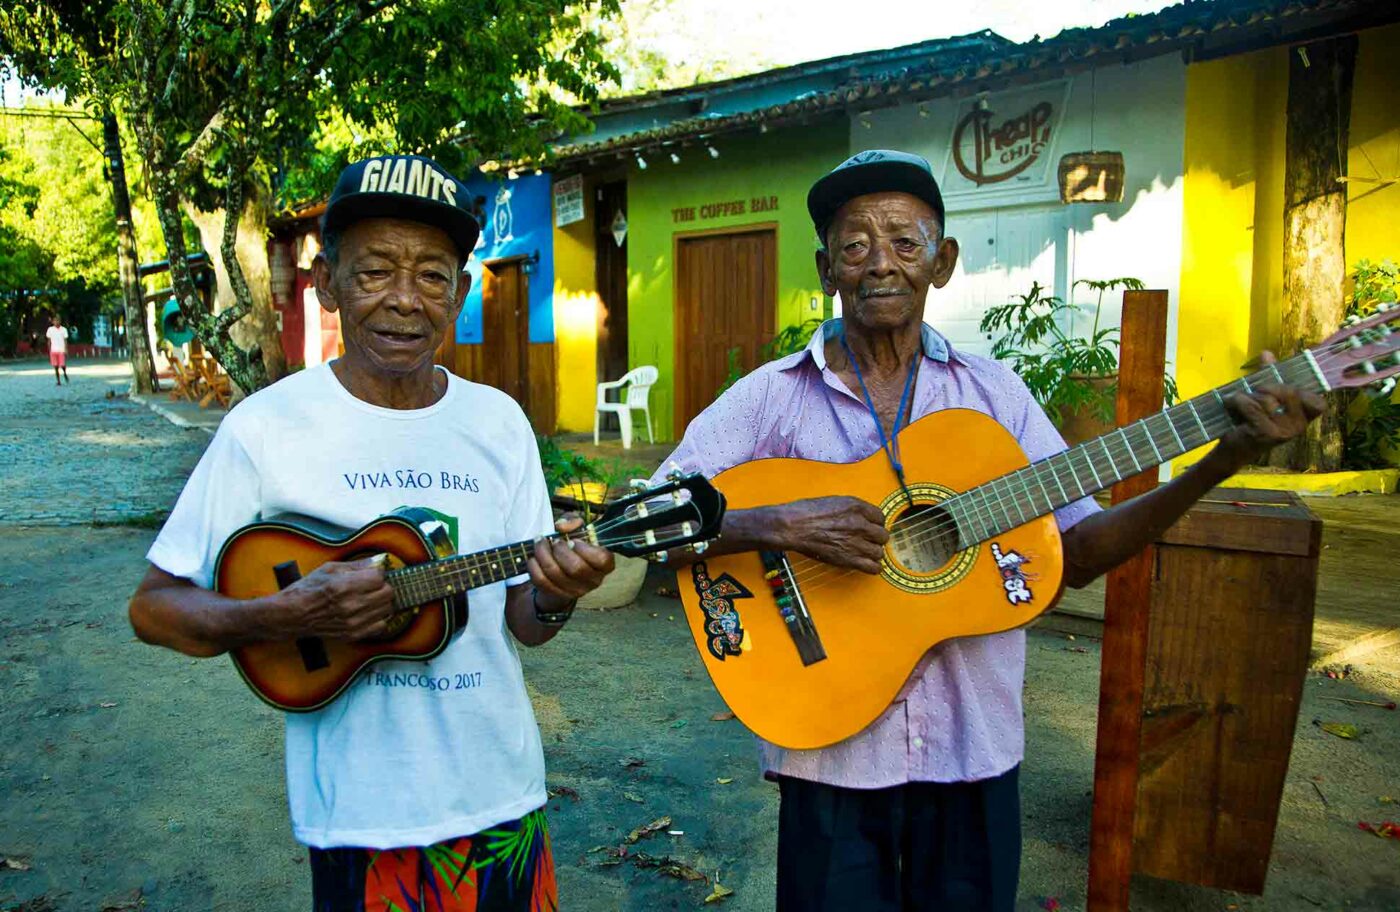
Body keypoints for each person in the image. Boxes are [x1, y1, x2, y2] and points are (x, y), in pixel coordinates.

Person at [653, 149, 1325, 911]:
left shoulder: (994, 398)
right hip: (830, 752)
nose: (882, 264)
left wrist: (1222, 459)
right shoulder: (771, 400)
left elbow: (1076, 553)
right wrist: (777, 523)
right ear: (826, 268)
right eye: (856, 245)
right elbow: (641, 523)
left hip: (973, 755)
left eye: (906, 243)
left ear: (942, 263)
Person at [128, 154, 614, 912]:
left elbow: (526, 623)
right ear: (326, 284)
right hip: (357, 817)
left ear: (461, 289)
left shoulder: (498, 423)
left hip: (501, 798)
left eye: (431, 275)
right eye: (375, 270)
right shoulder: (266, 429)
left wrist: (557, 594)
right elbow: (153, 607)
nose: (404, 300)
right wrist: (287, 615)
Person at [46, 313, 69, 385]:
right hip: (53, 350)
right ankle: (58, 381)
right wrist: (49, 349)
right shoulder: (50, 329)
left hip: (61, 350)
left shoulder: (64, 329)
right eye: (55, 321)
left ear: (60, 321)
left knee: (62, 365)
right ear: (53, 322)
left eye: (58, 320)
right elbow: (49, 340)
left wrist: (66, 349)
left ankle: (65, 373)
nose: (56, 322)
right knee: (55, 366)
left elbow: (65, 340)